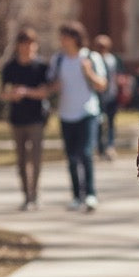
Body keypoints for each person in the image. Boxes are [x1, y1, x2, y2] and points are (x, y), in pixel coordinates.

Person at [47, 21, 107, 212]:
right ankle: (76, 196)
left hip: (87, 112)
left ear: (75, 38)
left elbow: (102, 84)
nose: (61, 40)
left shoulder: (90, 57)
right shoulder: (58, 60)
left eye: (65, 36)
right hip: (66, 114)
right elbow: (51, 84)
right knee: (71, 157)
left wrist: (89, 72)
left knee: (86, 153)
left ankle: (90, 194)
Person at [0, 27, 49, 210]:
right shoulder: (10, 67)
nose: (28, 49)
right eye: (24, 45)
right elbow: (2, 93)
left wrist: (27, 92)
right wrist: (12, 95)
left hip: (36, 118)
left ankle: (34, 195)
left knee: (35, 158)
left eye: (31, 45)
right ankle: (25, 194)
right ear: (18, 46)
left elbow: (46, 92)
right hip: (17, 119)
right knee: (21, 160)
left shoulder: (41, 67)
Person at [92, 34, 121, 159]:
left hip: (111, 95)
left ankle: (110, 146)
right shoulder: (93, 59)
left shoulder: (113, 60)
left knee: (110, 122)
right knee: (98, 123)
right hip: (97, 96)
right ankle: (99, 147)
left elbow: (118, 75)